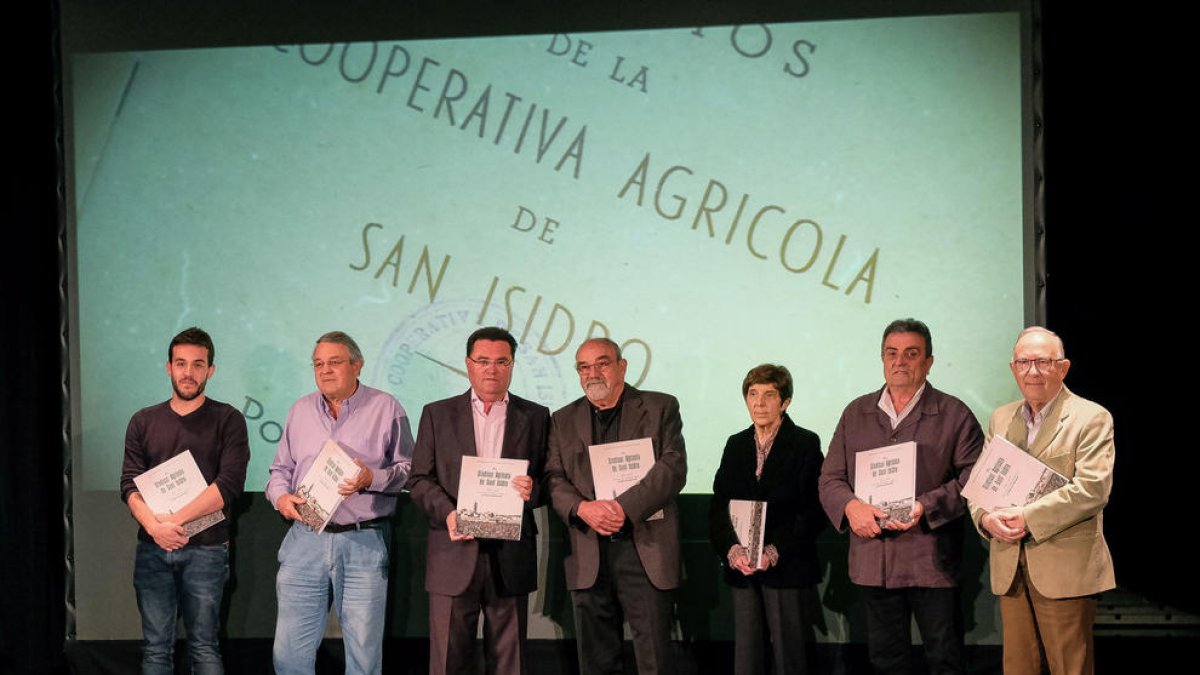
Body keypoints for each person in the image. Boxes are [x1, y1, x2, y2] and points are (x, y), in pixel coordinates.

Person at [817, 318, 982, 675]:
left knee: (944, 659)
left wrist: (927, 505)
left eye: (911, 354)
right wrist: (852, 507)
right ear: (882, 358)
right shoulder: (856, 412)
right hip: (873, 561)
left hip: (931, 562)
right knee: (886, 661)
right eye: (892, 353)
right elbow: (830, 478)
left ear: (929, 362)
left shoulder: (954, 414)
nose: (900, 362)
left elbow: (975, 478)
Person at [265, 330, 415, 675]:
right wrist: (281, 498)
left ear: (357, 365)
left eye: (334, 362)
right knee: (290, 651)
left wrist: (371, 479)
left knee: (363, 652)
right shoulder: (299, 410)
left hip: (363, 539)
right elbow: (279, 470)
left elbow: (410, 470)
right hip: (305, 539)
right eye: (318, 364)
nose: (325, 370)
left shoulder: (386, 407)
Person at [969, 327, 1114, 675]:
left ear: (1062, 368)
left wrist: (1026, 517)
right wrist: (986, 520)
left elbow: (1093, 488)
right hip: (1010, 564)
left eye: (1042, 362)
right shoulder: (1001, 418)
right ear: (1013, 368)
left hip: (1066, 567)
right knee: (1018, 667)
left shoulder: (1091, 417)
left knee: (1070, 667)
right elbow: (981, 486)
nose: (1032, 371)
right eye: (1023, 362)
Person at [408, 326, 550, 675]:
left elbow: (551, 478)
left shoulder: (536, 416)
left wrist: (535, 490)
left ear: (512, 365)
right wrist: (450, 514)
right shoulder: (437, 414)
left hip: (510, 556)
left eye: (501, 361)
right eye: (483, 360)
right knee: (448, 662)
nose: (492, 369)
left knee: (510, 662)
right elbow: (419, 479)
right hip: (453, 550)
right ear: (468, 364)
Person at [545, 337, 687, 675]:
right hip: (588, 551)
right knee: (596, 660)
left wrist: (623, 508)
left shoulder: (660, 406)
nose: (593, 373)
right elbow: (553, 477)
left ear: (622, 366)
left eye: (602, 363)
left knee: (654, 656)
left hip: (644, 546)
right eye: (584, 367)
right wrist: (582, 509)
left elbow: (673, 467)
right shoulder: (562, 419)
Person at [119, 326, 250, 674]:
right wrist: (154, 527)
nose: (188, 372)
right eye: (181, 363)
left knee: (205, 648)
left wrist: (173, 521)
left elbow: (228, 486)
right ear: (168, 367)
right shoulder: (143, 421)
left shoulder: (229, 419)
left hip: (207, 549)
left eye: (197, 364)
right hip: (152, 548)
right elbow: (129, 485)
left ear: (211, 370)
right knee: (155, 651)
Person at [709, 364, 825, 675]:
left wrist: (773, 552)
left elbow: (812, 511)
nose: (759, 403)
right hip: (744, 568)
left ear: (785, 402)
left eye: (769, 395)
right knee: (747, 660)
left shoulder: (805, 443)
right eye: (753, 394)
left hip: (787, 567)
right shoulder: (735, 444)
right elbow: (719, 506)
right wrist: (734, 552)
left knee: (791, 658)